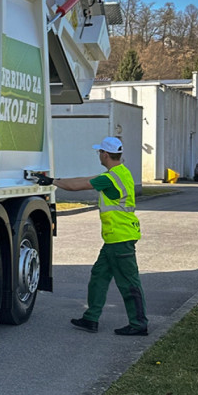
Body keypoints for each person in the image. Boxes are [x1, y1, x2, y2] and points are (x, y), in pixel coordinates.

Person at [35, 136, 149, 336]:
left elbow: (78, 185)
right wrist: (56, 180)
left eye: (100, 152)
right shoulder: (120, 173)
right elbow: (83, 180)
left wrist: (52, 182)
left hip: (120, 239)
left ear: (105, 154)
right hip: (115, 239)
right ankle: (91, 318)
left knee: (129, 283)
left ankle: (139, 324)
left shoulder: (110, 178)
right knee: (98, 277)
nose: (99, 155)